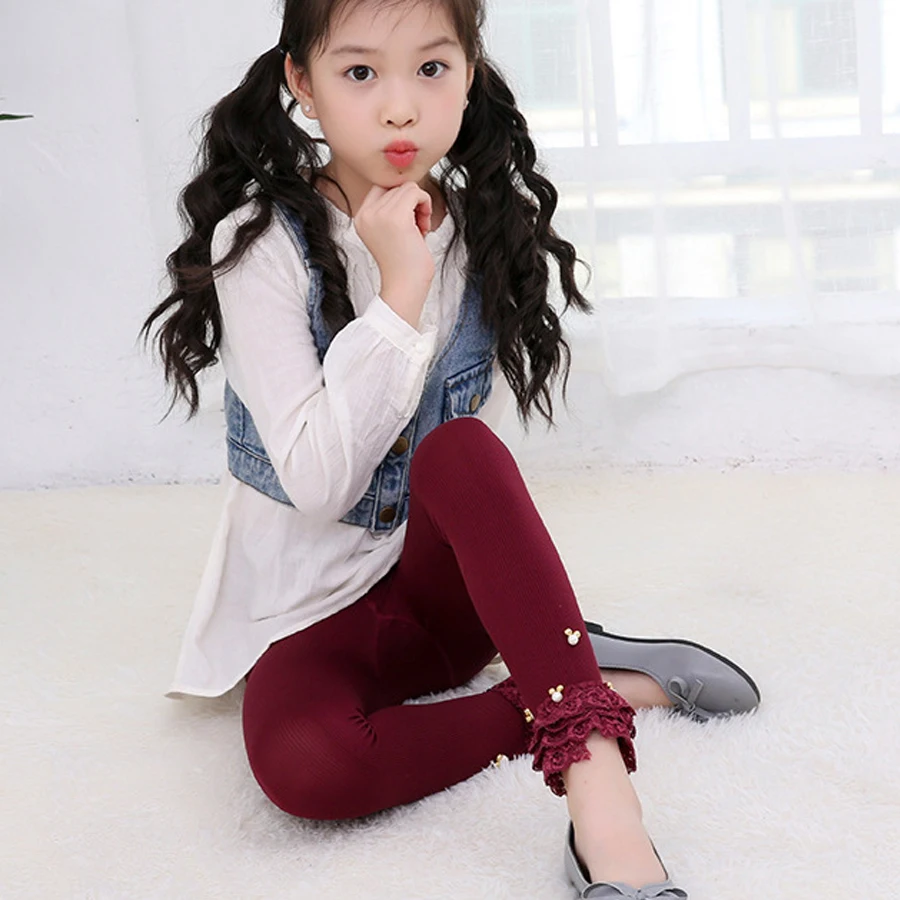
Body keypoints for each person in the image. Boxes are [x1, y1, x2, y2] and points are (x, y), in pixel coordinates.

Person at [141, 1, 760, 896]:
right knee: (308, 768)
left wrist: (425, 268)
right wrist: (399, 288)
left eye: (431, 68)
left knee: (462, 448)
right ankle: (585, 677)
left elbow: (471, 482)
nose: (400, 107)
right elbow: (317, 483)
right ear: (301, 83)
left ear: (469, 73)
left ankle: (604, 803)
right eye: (360, 72)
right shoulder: (261, 247)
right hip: (309, 611)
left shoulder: (484, 227)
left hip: (445, 608)